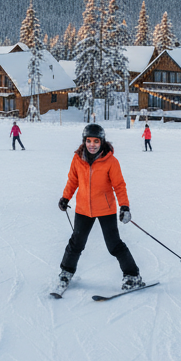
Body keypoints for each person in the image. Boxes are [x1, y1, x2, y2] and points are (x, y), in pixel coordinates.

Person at [56, 124, 143, 291]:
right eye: (89, 141)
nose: (92, 144)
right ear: (84, 141)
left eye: (96, 141)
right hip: (83, 209)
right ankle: (66, 272)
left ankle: (132, 275)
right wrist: (65, 197)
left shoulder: (111, 161)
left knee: (114, 245)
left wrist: (124, 206)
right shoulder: (77, 159)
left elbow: (119, 185)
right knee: (76, 243)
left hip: (106, 209)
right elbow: (73, 180)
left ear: (102, 142)